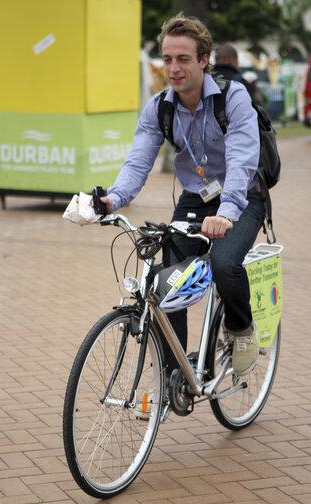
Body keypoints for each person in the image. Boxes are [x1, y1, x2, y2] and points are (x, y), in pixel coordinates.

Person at [98, 13, 265, 377]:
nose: (173, 68)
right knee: (168, 280)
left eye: (183, 59)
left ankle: (241, 328)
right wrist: (114, 198)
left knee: (223, 263)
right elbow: (138, 160)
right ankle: (179, 374)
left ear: (204, 60)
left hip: (243, 195)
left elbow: (241, 160)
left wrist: (227, 211)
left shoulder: (232, 97)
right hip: (195, 197)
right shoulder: (160, 107)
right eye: (168, 58)